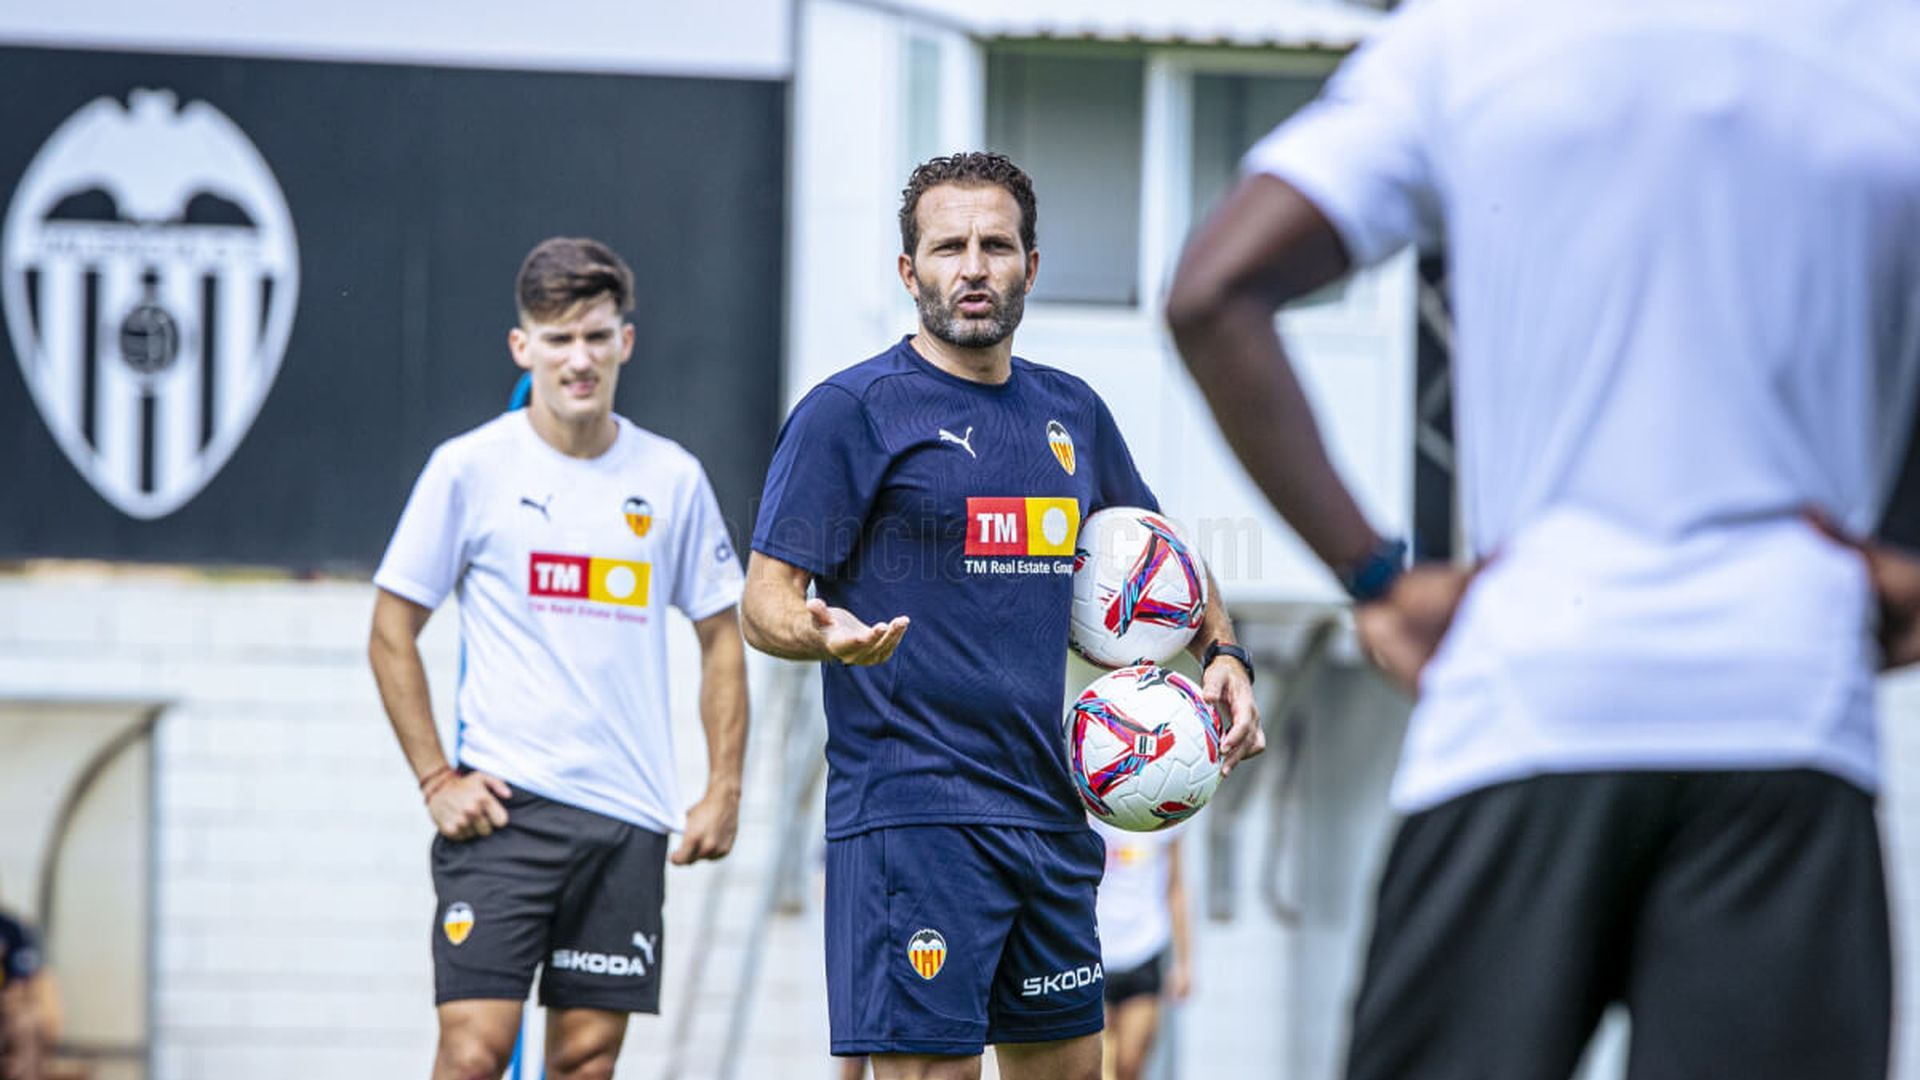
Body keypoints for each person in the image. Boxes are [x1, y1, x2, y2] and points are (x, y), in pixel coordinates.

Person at [1165, 1, 1920, 1077]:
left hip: (1525, 691)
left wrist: (1377, 576)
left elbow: (1213, 291)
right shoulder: (1891, 41)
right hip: (1787, 695)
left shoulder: (1470, 35)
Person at [739, 151, 1262, 1080]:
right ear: (910, 272)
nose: (973, 266)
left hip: (1054, 813)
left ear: (1030, 264)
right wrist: (820, 631)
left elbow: (1164, 554)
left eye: (996, 245)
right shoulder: (852, 412)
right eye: (949, 247)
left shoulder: (1073, 411)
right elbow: (765, 599)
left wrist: (1224, 652)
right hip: (914, 813)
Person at [368, 237, 749, 1080]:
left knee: (584, 1060)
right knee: (473, 1051)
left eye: (596, 336)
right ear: (523, 347)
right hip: (506, 812)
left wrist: (723, 789)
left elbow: (722, 639)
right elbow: (391, 629)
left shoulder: (673, 477)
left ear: (626, 342)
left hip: (628, 820)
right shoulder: (468, 469)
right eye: (558, 338)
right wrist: (437, 779)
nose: (579, 358)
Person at [1090, 819, 1190, 1080]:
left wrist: (1184, 963)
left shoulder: (1165, 817)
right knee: (1095, 1064)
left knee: (1130, 1064)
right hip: (1097, 951)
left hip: (1143, 949)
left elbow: (1175, 887)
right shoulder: (1092, 810)